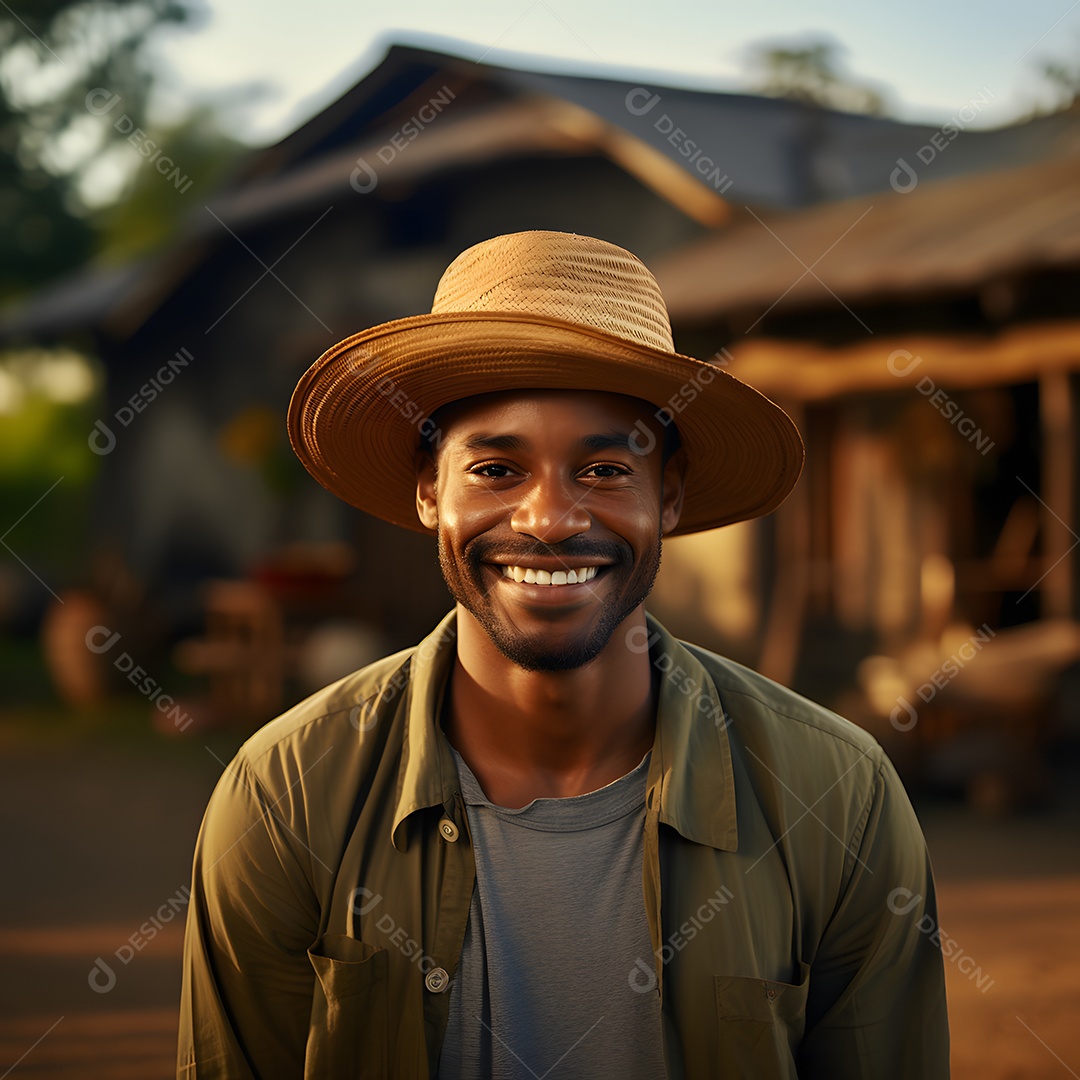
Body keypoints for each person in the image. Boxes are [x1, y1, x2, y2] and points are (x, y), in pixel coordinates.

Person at [178, 231, 949, 1079]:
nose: (550, 520)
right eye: (498, 468)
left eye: (608, 470)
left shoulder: (835, 797)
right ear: (430, 491)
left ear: (673, 495)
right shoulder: (287, 794)